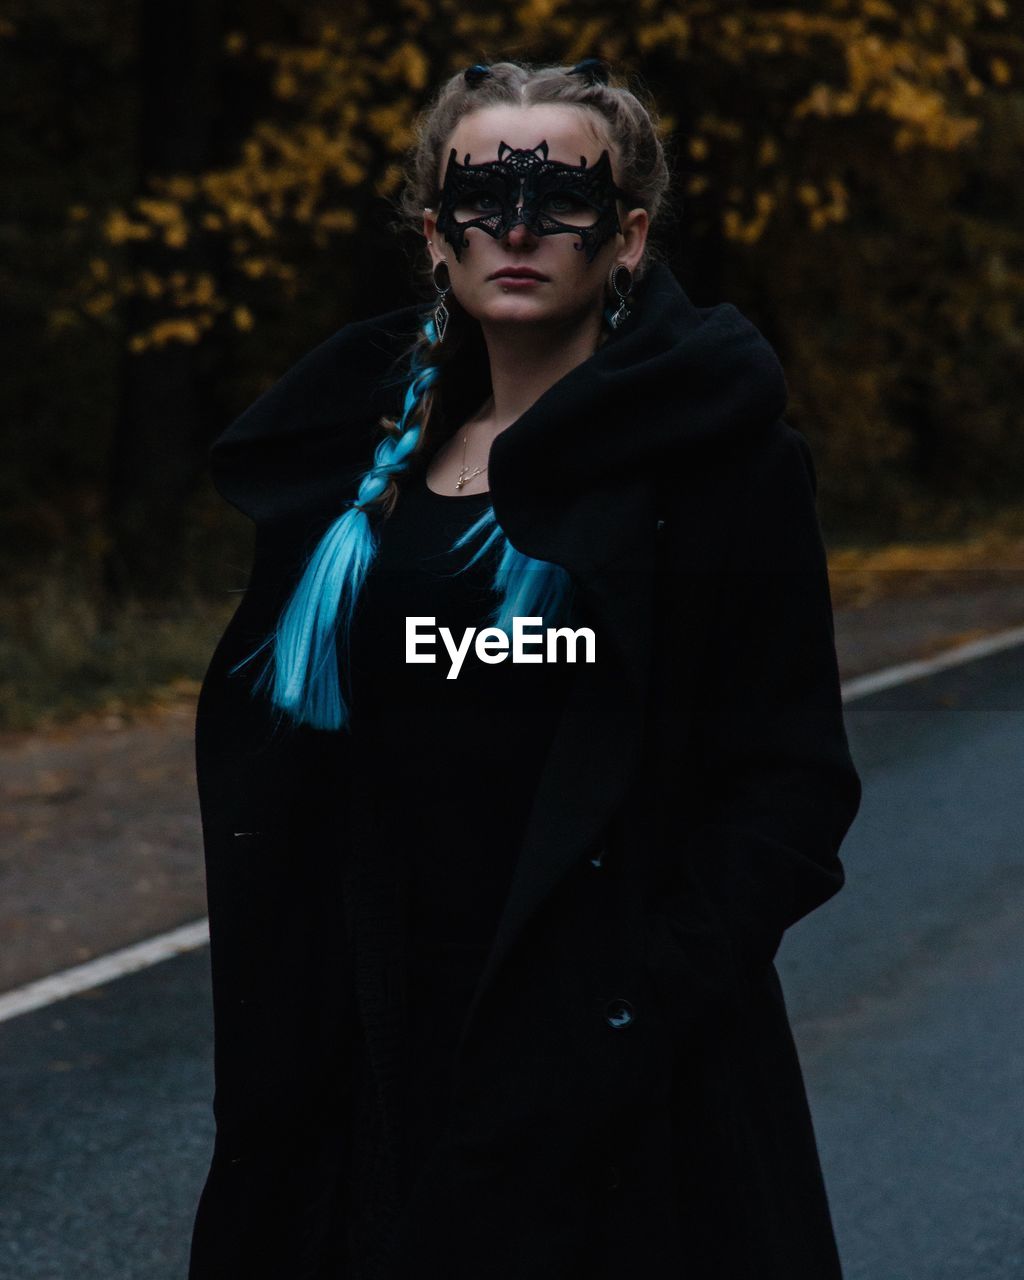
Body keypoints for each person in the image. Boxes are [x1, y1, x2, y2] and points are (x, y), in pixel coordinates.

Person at [188, 56, 863, 1280]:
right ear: (434, 236)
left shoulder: (724, 470)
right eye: (480, 197)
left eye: (558, 196)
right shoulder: (361, 474)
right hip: (385, 1055)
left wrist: (627, 1007)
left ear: (630, 237)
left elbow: (791, 784)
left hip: (621, 1073)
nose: (515, 226)